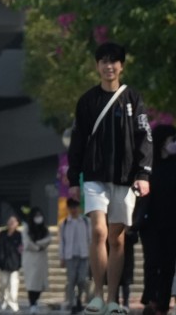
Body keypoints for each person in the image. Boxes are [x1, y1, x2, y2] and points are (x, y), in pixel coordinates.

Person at [66, 42, 152, 315]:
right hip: (94, 177)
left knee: (117, 239)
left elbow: (144, 138)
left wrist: (143, 173)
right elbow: (77, 142)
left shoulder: (133, 99)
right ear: (97, 66)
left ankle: (113, 299)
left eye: (114, 61)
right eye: (103, 61)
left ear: (121, 66)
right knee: (99, 231)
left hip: (125, 178)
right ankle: (97, 296)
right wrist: (72, 180)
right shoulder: (87, 101)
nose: (108, 66)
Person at [138, 124, 176, 315]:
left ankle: (163, 303)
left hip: (172, 224)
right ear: (162, 142)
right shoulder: (149, 165)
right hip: (151, 223)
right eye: (172, 140)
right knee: (152, 262)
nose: (174, 144)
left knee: (169, 264)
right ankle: (151, 299)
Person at [61, 198, 92, 314]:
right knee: (71, 280)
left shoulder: (85, 222)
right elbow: (62, 242)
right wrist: (61, 257)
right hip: (70, 256)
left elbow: (90, 239)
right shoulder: (64, 223)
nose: (74, 210)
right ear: (68, 209)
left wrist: (91, 254)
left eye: (75, 207)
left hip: (83, 255)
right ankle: (73, 303)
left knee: (82, 280)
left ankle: (79, 298)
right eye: (71, 207)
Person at [22, 207, 52, 315]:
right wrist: (37, 247)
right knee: (31, 283)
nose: (38, 218)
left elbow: (49, 239)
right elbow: (27, 242)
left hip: (41, 258)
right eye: (36, 215)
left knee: (39, 284)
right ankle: (32, 304)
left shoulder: (44, 229)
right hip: (30, 258)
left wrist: (38, 244)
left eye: (40, 215)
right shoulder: (26, 228)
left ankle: (35, 301)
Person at [0, 215, 24, 313]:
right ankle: (3, 302)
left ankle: (13, 304)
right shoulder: (2, 234)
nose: (11, 223)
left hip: (14, 264)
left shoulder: (19, 235)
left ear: (17, 224)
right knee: (3, 285)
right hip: (3, 264)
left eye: (14, 222)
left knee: (13, 285)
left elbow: (21, 249)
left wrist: (20, 262)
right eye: (10, 221)